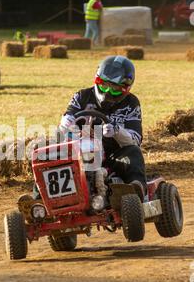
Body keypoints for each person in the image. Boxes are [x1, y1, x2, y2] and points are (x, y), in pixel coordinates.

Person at [60, 56, 147, 199]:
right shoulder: (82, 96)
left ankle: (135, 188)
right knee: (48, 154)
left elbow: (135, 139)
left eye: (115, 89)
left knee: (133, 152)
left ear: (125, 88)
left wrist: (117, 131)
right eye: (104, 85)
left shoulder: (131, 103)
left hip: (113, 158)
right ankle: (39, 200)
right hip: (78, 153)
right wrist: (66, 121)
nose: (107, 92)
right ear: (97, 80)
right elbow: (68, 117)